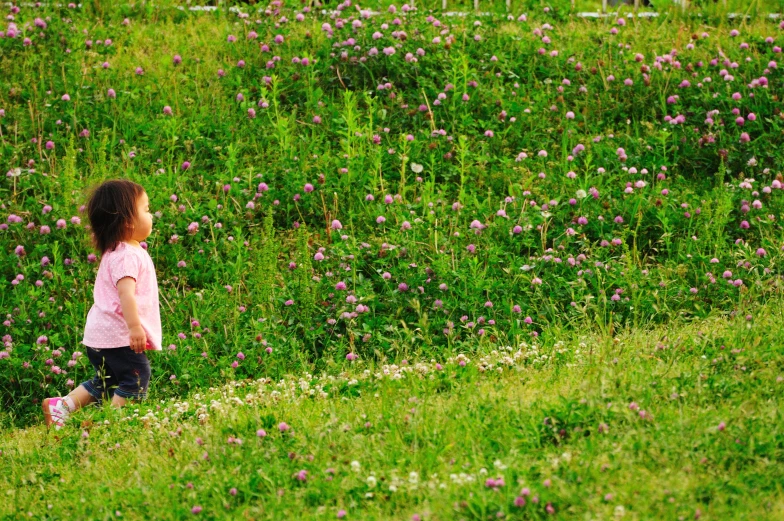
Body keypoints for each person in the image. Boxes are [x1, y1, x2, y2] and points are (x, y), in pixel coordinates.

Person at [42, 179, 162, 429]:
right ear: (128, 221)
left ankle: (62, 406)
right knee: (136, 379)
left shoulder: (117, 251)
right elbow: (126, 294)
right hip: (118, 335)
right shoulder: (128, 256)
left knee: (106, 381)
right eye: (146, 209)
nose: (151, 215)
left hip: (100, 335)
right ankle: (110, 424)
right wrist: (134, 327)